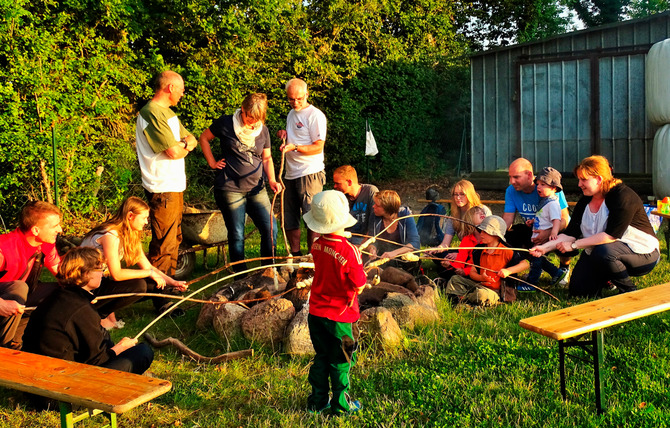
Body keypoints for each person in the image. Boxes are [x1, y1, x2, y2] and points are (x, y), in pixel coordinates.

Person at [530, 156, 660, 298]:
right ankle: (606, 278)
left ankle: (629, 291)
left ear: (599, 179)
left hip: (642, 252)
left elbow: (610, 236)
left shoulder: (623, 196)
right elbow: (571, 232)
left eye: (584, 180)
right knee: (578, 291)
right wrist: (545, 248)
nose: (579, 184)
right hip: (601, 251)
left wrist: (574, 245)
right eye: (579, 179)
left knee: (603, 252)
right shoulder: (586, 199)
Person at [22, 247, 153, 375]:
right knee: (143, 352)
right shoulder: (81, 308)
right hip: (59, 379)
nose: (102, 274)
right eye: (100, 269)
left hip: (34, 371)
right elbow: (98, 359)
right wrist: (122, 346)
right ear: (85, 273)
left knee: (104, 337)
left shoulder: (57, 296)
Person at [199, 93, 281, 271]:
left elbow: (267, 158)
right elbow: (204, 138)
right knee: (237, 234)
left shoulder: (263, 131)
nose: (252, 122)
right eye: (249, 117)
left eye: (256, 119)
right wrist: (212, 162)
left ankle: (268, 272)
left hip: (257, 189)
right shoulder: (226, 123)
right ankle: (240, 277)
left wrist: (272, 180)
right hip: (230, 188)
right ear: (242, 109)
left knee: (271, 229)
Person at [302, 190, 366, 415]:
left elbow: (331, 248)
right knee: (341, 360)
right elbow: (358, 284)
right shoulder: (351, 251)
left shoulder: (317, 245)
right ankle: (341, 404)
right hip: (341, 317)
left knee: (321, 356)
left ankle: (317, 402)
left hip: (316, 314)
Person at [81, 197, 188, 322]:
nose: (146, 222)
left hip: (100, 280)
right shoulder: (111, 236)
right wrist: (149, 273)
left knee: (154, 283)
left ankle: (164, 304)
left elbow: (148, 267)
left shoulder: (131, 233)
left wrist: (173, 282)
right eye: (143, 218)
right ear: (130, 216)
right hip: (86, 285)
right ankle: (97, 313)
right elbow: (117, 274)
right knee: (139, 285)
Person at [135, 70, 197, 278]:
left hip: (174, 186)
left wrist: (184, 144)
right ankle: (161, 297)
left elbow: (191, 138)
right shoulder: (151, 113)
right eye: (180, 89)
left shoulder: (168, 113)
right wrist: (185, 145)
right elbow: (173, 152)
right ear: (170, 88)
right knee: (164, 244)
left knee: (174, 240)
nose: (182, 93)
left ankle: (168, 289)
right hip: (162, 188)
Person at [0, 201, 62, 349]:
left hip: (21, 299)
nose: (60, 229)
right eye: (54, 226)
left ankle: (22, 340)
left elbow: (62, 273)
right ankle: (5, 348)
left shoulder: (45, 244)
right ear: (35, 230)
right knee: (19, 287)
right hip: (4, 299)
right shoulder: (4, 247)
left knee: (64, 292)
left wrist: (82, 289)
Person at [277, 78, 327, 256]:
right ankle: (296, 255)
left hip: (310, 173)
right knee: (290, 217)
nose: (295, 102)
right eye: (291, 99)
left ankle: (313, 256)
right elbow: (295, 135)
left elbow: (318, 146)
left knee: (312, 218)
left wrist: (295, 147)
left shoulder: (315, 115)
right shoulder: (291, 114)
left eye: (299, 98)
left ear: (307, 94)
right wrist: (284, 135)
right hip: (290, 174)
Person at [503, 158, 572, 281]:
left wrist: (549, 232)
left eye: (516, 177)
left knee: (565, 234)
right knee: (511, 235)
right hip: (534, 229)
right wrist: (497, 234)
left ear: (529, 175)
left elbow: (564, 219)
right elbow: (508, 218)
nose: (511, 181)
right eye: (510, 177)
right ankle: (537, 268)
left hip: (556, 229)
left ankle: (564, 266)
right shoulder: (510, 191)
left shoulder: (550, 187)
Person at [445, 216, 529, 306]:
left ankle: (463, 298)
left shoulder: (506, 251)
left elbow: (525, 264)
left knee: (482, 295)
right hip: (479, 285)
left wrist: (508, 271)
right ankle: (464, 297)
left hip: (495, 292)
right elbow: (472, 272)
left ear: (496, 235)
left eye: (485, 232)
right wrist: (481, 278)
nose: (481, 234)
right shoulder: (478, 250)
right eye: (481, 231)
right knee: (455, 279)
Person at [525, 167, 569, 288]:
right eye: (538, 184)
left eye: (543, 184)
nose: (538, 187)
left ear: (553, 188)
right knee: (537, 257)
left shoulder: (553, 203)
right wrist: (533, 221)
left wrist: (553, 233)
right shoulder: (545, 201)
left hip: (545, 236)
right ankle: (557, 272)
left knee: (536, 259)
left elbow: (556, 219)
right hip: (538, 234)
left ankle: (531, 283)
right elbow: (543, 216)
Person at [367, 190, 420, 272]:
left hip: (403, 256)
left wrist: (394, 253)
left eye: (377, 205)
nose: (373, 206)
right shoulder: (374, 216)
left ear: (387, 209)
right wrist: (372, 249)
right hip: (383, 255)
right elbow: (371, 239)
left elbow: (414, 243)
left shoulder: (405, 216)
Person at [435, 180, 490, 257]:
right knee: (440, 255)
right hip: (464, 250)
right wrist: (437, 249)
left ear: (470, 195)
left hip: (481, 250)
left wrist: (461, 255)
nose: (458, 198)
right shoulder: (454, 215)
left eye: (462, 194)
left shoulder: (482, 211)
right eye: (455, 194)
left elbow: (488, 241)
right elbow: (445, 243)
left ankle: (458, 263)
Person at [332, 165, 378, 245]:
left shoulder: (370, 191)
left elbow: (374, 224)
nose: (335, 186)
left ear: (349, 182)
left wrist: (363, 245)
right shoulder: (339, 196)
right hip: (345, 238)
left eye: (338, 183)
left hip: (366, 239)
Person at [439, 205, 487, 281]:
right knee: (445, 272)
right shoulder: (467, 239)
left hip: (482, 270)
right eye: (478, 213)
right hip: (468, 268)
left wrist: (466, 271)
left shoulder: (488, 238)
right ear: (470, 219)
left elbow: (484, 262)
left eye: (483, 212)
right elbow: (461, 257)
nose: (482, 214)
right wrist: (452, 266)